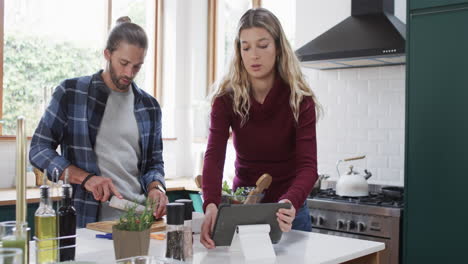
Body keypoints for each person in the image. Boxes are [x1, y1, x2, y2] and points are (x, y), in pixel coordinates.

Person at [29, 17, 168, 228]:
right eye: (124, 63)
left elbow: (153, 164)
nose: (129, 73)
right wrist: (86, 179)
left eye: (137, 67)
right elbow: (38, 150)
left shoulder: (149, 107)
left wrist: (157, 187)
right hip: (88, 222)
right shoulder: (72, 93)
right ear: (107, 54)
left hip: (139, 221)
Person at [200, 8, 320, 248]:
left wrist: (290, 202)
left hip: (289, 213)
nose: (254, 55)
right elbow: (214, 157)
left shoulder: (300, 100)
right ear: (239, 52)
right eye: (246, 47)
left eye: (262, 45)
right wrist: (211, 204)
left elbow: (308, 167)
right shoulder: (226, 100)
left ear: (278, 48)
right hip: (244, 211)